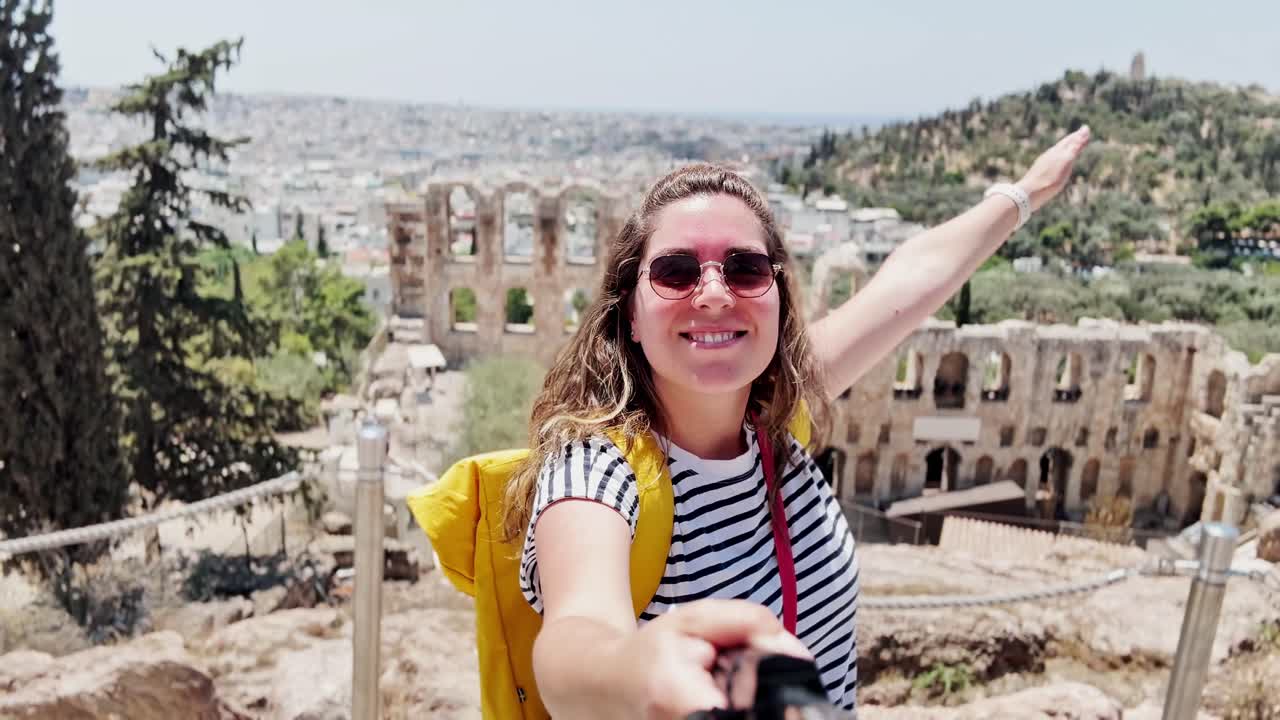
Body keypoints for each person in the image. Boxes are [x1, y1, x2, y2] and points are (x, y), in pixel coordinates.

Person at [506, 126, 1092, 719]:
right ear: (630, 313)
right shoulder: (595, 469)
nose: (713, 293)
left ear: (779, 297)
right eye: (676, 272)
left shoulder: (777, 414)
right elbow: (574, 640)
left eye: (745, 269)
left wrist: (1026, 192)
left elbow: (913, 279)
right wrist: (638, 672)